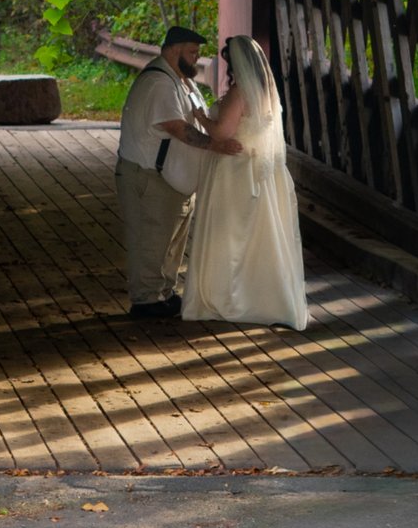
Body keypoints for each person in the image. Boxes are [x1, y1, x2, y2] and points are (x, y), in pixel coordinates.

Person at [182, 34, 310, 329]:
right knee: (259, 237)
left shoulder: (240, 92)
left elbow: (221, 134)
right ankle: (266, 296)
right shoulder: (266, 90)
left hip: (235, 172)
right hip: (260, 170)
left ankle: (229, 296)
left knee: (229, 236)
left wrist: (200, 116)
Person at [114, 23, 238, 319]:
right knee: (151, 239)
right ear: (173, 50)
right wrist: (215, 145)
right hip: (149, 177)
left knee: (170, 243)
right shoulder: (159, 83)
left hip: (172, 179)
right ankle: (145, 301)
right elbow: (178, 128)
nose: (197, 58)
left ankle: (164, 293)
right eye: (192, 52)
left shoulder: (182, 81)